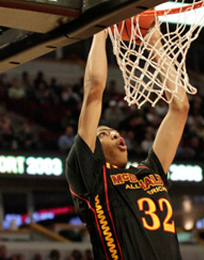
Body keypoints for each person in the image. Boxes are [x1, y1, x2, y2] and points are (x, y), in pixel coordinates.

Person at [66, 27, 189, 260]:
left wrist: (155, 44)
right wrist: (100, 30)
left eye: (114, 132)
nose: (114, 134)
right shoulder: (92, 174)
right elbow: (94, 91)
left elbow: (180, 108)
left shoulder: (149, 171)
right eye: (103, 134)